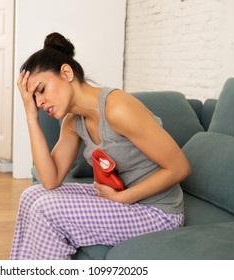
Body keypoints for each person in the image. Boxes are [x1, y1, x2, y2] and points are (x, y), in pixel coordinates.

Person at [10, 32, 191, 260]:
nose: (39, 102)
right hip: (122, 199)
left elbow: (180, 168)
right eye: (33, 98)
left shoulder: (117, 108)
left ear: (66, 73)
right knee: (31, 195)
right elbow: (50, 180)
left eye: (42, 90)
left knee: (47, 209)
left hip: (157, 212)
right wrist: (30, 116)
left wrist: (122, 199)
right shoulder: (72, 122)